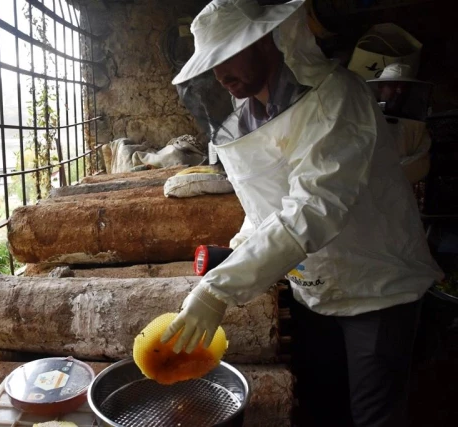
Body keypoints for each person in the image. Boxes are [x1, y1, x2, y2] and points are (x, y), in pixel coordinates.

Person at [160, 1, 443, 426]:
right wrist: (240, 251)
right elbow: (264, 205)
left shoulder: (335, 98)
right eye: (212, 64)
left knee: (374, 416)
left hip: (378, 289)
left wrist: (220, 289)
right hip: (315, 291)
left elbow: (314, 207)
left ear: (268, 40)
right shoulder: (249, 115)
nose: (220, 75)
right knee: (320, 407)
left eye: (230, 55)